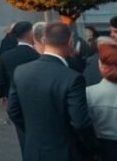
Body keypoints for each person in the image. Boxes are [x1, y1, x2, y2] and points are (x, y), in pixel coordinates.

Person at [7, 22, 97, 161]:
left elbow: (13, 111)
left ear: (43, 40)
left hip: (34, 150)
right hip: (67, 151)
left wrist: (34, 134)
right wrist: (94, 148)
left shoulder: (21, 71)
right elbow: (80, 122)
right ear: (70, 42)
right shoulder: (73, 78)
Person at [0, 21, 39, 103]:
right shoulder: (37, 54)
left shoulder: (6, 55)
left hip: (12, 95)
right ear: (31, 33)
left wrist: (1, 94)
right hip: (35, 95)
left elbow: (2, 76)